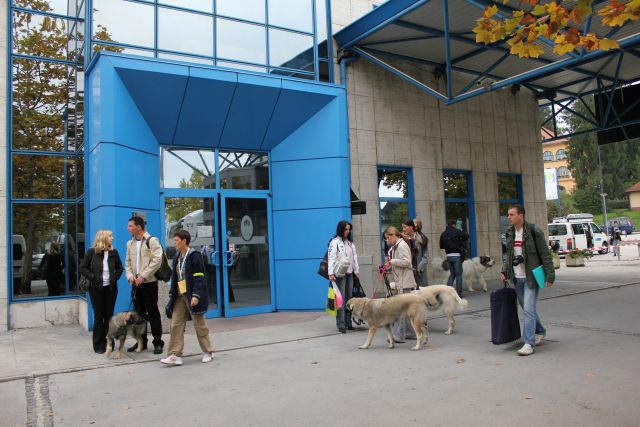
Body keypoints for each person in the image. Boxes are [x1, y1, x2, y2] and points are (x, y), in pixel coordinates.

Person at [500, 204, 555, 356]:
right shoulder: (510, 232)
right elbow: (509, 254)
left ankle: (528, 343)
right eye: (508, 214)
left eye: (511, 215)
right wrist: (505, 270)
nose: (509, 217)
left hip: (531, 277)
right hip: (517, 277)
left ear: (520, 216)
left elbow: (545, 254)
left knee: (529, 310)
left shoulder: (533, 231)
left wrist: (550, 276)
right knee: (526, 308)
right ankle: (541, 331)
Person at [161, 230, 214, 366]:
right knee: (176, 325)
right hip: (179, 296)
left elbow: (199, 276)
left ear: (184, 241)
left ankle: (208, 351)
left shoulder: (194, 255)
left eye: (177, 241)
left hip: (192, 296)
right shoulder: (178, 255)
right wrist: (172, 294)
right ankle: (175, 355)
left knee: (199, 325)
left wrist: (196, 295)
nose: (175, 243)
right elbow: (175, 278)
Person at [125, 216, 164, 355]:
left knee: (152, 312)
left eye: (130, 226)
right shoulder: (129, 243)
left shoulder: (151, 241)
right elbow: (127, 263)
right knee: (138, 314)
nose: (128, 228)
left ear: (139, 227)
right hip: (135, 284)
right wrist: (130, 276)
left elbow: (157, 260)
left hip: (149, 283)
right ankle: (141, 342)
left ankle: (158, 342)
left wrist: (143, 275)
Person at [79, 230, 123, 354]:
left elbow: (120, 268)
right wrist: (93, 277)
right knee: (99, 317)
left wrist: (114, 278)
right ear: (103, 238)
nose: (112, 238)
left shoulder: (114, 252)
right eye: (110, 236)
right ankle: (98, 344)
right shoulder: (91, 252)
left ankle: (109, 342)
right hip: (96, 289)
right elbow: (82, 267)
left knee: (109, 317)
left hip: (111, 289)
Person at [385, 226, 418, 342]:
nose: (387, 241)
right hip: (403, 281)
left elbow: (407, 262)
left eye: (388, 238)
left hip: (404, 282)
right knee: (405, 310)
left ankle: (398, 335)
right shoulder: (397, 246)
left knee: (400, 310)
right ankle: (411, 333)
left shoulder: (401, 246)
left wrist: (392, 262)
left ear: (393, 235)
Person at [328, 220, 360, 333]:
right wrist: (330, 273)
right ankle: (341, 324)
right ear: (341, 229)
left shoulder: (350, 243)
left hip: (350, 273)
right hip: (339, 274)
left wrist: (357, 271)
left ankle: (348, 322)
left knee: (349, 299)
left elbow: (354, 257)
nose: (348, 231)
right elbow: (331, 257)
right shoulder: (335, 242)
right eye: (346, 229)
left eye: (349, 229)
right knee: (340, 300)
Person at [439, 219, 469, 297]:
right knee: (458, 275)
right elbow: (466, 236)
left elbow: (441, 246)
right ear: (453, 225)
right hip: (457, 256)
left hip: (448, 256)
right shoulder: (456, 231)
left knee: (452, 274)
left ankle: (447, 293)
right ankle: (459, 293)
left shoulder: (443, 234)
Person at [408, 219, 430, 288]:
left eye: (413, 225)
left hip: (418, 269)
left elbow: (425, 256)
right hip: (409, 268)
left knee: (421, 290)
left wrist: (419, 268)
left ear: (417, 227)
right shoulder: (406, 238)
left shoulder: (422, 238)